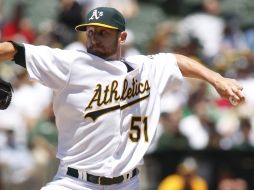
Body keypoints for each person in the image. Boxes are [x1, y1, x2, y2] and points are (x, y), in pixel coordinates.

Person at [0, 6, 245, 190]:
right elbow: (13, 49)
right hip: (75, 183)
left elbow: (175, 61)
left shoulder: (145, 68)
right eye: (90, 32)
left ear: (122, 37)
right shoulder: (72, 63)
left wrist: (216, 79)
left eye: (103, 33)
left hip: (127, 184)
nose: (94, 38)